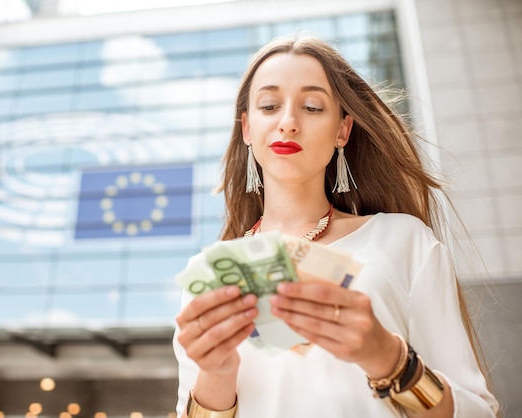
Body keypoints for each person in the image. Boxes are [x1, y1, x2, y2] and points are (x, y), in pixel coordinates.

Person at [173, 35, 499, 418]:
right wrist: (216, 376)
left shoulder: (403, 241)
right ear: (247, 128)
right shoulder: (210, 272)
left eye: (312, 107)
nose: (288, 122)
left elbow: (479, 411)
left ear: (342, 130)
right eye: (269, 106)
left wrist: (389, 358)